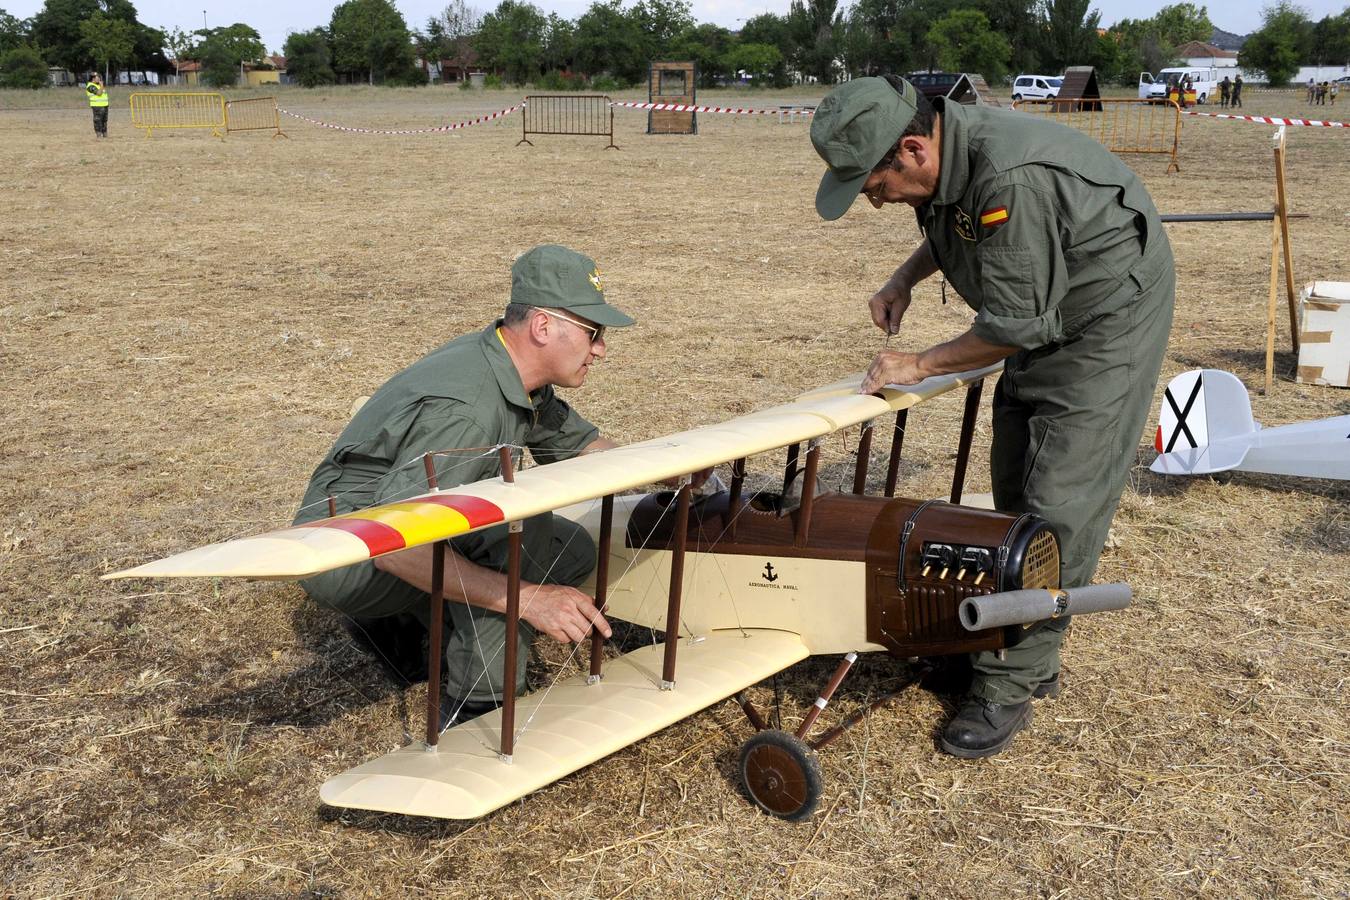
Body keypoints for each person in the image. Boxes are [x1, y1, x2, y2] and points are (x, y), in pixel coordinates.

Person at [809, 76, 1175, 758]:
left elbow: (1014, 324)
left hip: (1104, 317)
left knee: (1058, 500)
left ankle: (1013, 679)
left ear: (913, 149)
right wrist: (903, 279)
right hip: (1045, 304)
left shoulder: (1014, 180)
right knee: (1013, 483)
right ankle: (990, 634)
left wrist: (918, 363)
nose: (872, 198)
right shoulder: (952, 157)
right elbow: (954, 225)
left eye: (873, 184)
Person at [294, 245, 634, 723]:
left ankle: (404, 627)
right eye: (592, 332)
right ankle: (479, 708)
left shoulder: (513, 367)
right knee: (519, 533)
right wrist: (531, 600)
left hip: (391, 526)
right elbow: (390, 543)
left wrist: (666, 469)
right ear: (542, 327)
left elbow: (582, 446)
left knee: (571, 549)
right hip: (345, 548)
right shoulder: (468, 412)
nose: (600, 348)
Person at [85, 72, 108, 138]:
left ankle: (105, 134)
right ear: (93, 78)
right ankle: (99, 135)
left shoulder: (98, 85)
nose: (99, 79)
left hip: (104, 105)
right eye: (97, 77)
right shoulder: (90, 86)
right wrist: (101, 86)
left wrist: (101, 86)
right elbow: (99, 93)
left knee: (104, 120)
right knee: (98, 120)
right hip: (97, 106)